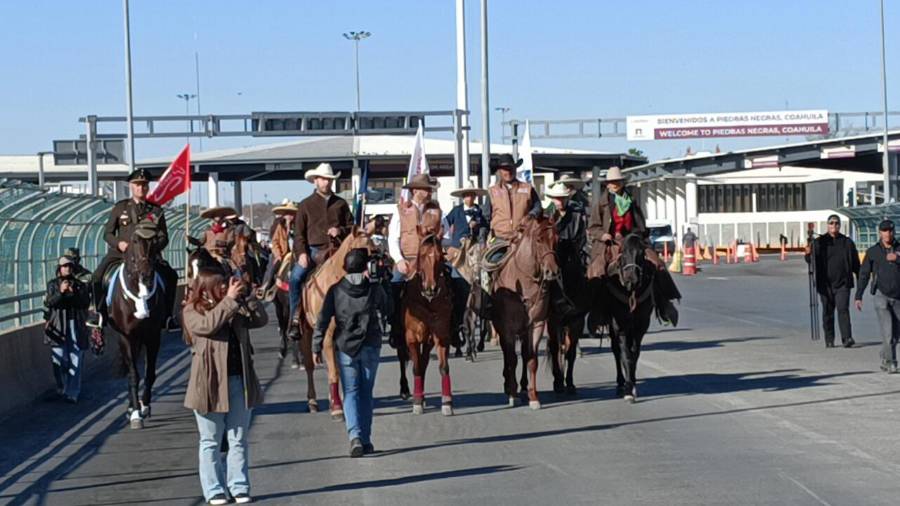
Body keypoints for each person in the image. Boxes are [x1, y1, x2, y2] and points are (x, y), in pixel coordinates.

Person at [183, 268, 267, 505]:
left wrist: (248, 297)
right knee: (210, 440)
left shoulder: (233, 307)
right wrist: (229, 300)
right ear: (206, 287)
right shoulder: (192, 311)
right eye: (220, 285)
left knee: (238, 437)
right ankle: (214, 490)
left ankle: (239, 486)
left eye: (226, 284)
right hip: (208, 385)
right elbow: (207, 326)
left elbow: (260, 320)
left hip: (238, 380)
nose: (225, 288)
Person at [313, 248, 392, 457]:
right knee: (366, 393)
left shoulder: (335, 290)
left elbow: (322, 320)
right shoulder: (374, 289)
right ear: (366, 267)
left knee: (351, 392)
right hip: (370, 343)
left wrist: (316, 344)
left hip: (346, 346)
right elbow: (388, 308)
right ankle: (365, 439)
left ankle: (354, 436)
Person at [587, 166, 680, 325]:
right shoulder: (601, 204)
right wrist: (603, 235)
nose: (614, 184)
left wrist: (634, 236)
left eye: (617, 181)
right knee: (597, 269)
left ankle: (665, 303)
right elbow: (592, 227)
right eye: (611, 182)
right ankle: (595, 311)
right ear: (607, 184)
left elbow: (641, 225)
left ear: (622, 182)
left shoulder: (632, 200)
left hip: (633, 241)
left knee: (658, 264)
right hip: (609, 244)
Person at [90, 169, 179, 332]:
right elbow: (107, 233)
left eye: (144, 185)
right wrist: (119, 244)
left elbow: (164, 237)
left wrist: (151, 248)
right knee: (96, 277)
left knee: (171, 276)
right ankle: (100, 314)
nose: (141, 188)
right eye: (137, 185)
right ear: (131, 186)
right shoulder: (120, 207)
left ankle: (167, 317)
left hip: (148, 256)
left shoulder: (156, 210)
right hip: (121, 254)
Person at [288, 163, 354, 339]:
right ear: (315, 181)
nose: (327, 183)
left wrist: (340, 230)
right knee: (295, 278)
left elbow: (352, 227)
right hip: (313, 250)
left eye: (329, 180)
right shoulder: (305, 205)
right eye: (323, 179)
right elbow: (298, 235)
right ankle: (295, 318)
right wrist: (301, 254)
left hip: (337, 251)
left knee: (362, 274)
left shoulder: (340, 203)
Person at [387, 174, 443, 347]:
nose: (428, 192)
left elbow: (446, 234)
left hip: (431, 260)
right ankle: (395, 326)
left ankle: (455, 326)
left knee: (459, 283)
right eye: (425, 189)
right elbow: (392, 239)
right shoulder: (401, 211)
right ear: (415, 190)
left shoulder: (437, 210)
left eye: (429, 189)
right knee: (394, 288)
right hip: (408, 259)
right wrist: (399, 260)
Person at [443, 183, 489, 356]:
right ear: (463, 197)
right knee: (455, 285)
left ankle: (487, 306)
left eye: (471, 195)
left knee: (486, 279)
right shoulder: (456, 211)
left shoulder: (481, 212)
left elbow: (486, 228)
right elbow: (445, 226)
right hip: (458, 255)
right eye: (466, 195)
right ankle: (456, 326)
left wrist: (480, 231)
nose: (469, 198)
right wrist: (448, 245)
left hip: (476, 251)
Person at [805, 215, 860, 348]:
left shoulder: (847, 242)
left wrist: (860, 282)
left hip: (843, 283)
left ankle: (847, 338)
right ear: (827, 225)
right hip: (825, 285)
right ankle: (829, 339)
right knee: (828, 312)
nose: (834, 226)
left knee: (843, 309)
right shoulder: (819, 242)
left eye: (836, 223)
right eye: (831, 223)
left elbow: (856, 264)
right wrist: (808, 253)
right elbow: (810, 261)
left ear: (839, 225)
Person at [43, 256, 91, 403]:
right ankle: (62, 386)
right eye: (64, 266)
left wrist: (73, 293)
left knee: (75, 359)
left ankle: (72, 393)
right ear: (59, 268)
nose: (67, 269)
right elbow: (50, 303)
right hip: (58, 325)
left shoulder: (79, 285)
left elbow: (84, 304)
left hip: (75, 324)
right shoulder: (52, 284)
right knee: (59, 359)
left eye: (70, 266)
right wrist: (61, 292)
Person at [855, 219, 900, 373]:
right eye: (885, 231)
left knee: (896, 335)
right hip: (881, 295)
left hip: (898, 296)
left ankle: (884, 355)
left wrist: (898, 258)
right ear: (880, 233)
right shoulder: (873, 252)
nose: (888, 234)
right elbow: (864, 274)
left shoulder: (899, 248)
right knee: (887, 331)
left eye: (890, 231)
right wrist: (858, 295)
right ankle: (891, 362)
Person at [482, 154, 543, 242]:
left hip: (524, 237)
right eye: (505, 169)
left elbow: (538, 206)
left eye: (510, 168)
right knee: (494, 256)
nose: (508, 172)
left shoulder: (528, 188)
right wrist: (482, 238)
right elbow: (486, 217)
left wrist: (531, 215)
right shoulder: (492, 191)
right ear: (499, 171)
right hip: (500, 238)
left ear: (515, 169)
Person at [261, 200, 297, 299]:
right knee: (273, 266)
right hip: (282, 253)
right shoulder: (280, 226)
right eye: (287, 214)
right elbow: (275, 241)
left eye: (292, 214)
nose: (290, 216)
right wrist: (278, 254)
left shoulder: (299, 225)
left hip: (296, 253)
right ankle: (267, 286)